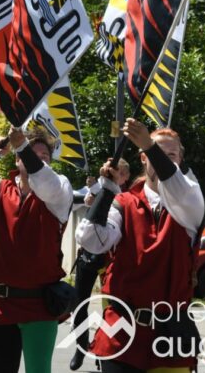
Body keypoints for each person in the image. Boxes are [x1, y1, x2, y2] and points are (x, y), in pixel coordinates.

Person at [76, 119, 205, 372]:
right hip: (121, 331)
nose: (164, 160)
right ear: (143, 159)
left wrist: (149, 144)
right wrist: (108, 189)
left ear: (180, 160)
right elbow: (91, 239)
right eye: (157, 154)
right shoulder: (124, 202)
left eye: (171, 155)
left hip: (171, 334)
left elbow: (178, 187)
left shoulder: (190, 200)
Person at [0, 126, 73, 373]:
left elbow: (47, 184)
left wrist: (23, 146)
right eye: (31, 154)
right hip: (2, 304)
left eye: (44, 157)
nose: (39, 160)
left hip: (40, 304)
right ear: (17, 160)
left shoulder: (59, 191)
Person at [69, 159, 130, 371]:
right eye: (114, 172)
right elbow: (86, 206)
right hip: (87, 256)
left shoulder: (126, 199)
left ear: (125, 177)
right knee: (79, 304)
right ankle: (80, 347)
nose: (116, 175)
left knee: (109, 308)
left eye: (120, 173)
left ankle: (102, 348)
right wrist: (93, 196)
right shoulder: (101, 190)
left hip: (108, 260)